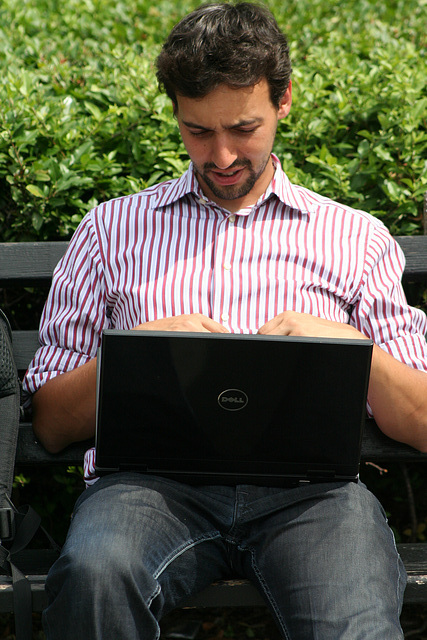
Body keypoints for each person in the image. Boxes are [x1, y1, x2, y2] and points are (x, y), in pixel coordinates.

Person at [23, 2, 427, 638]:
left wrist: (352, 347)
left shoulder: (355, 238)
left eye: (243, 127)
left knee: (349, 623)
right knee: (96, 576)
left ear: (284, 100)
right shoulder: (109, 231)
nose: (221, 155)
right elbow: (49, 424)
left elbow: (422, 422)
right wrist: (138, 352)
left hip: (313, 497)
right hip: (149, 491)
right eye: (196, 131)